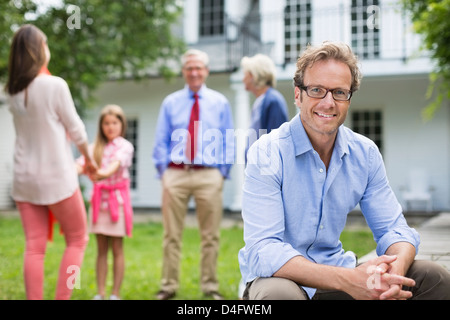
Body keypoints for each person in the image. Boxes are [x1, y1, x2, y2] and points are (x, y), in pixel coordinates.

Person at [238, 41, 450, 300]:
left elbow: (395, 230)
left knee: (433, 278)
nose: (329, 103)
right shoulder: (266, 152)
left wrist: (394, 272)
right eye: (317, 90)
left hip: (340, 274)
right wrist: (350, 280)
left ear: (349, 98)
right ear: (298, 95)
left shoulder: (365, 153)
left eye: (339, 92)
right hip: (281, 278)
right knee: (280, 295)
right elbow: (264, 250)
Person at [5, 24, 97, 300]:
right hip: (58, 177)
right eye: (45, 44)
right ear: (38, 49)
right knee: (78, 240)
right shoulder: (55, 85)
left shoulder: (12, 91)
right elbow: (77, 129)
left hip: (24, 179)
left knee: (34, 246)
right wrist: (89, 161)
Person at [152, 49, 234, 300]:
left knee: (210, 236)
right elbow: (161, 139)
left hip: (209, 175)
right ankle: (168, 286)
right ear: (184, 72)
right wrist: (164, 172)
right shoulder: (171, 102)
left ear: (206, 71)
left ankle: (210, 287)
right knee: (171, 235)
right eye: (189, 68)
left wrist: (222, 172)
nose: (194, 72)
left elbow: (227, 139)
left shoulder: (220, 102)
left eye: (199, 67)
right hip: (176, 174)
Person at [76, 104, 134, 300]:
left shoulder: (125, 146)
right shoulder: (94, 149)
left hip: (116, 204)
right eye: (106, 123)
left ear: (121, 124)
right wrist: (70, 171)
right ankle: (100, 293)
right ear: (101, 126)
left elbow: (114, 166)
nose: (110, 127)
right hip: (98, 204)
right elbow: (79, 164)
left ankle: (115, 294)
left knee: (117, 248)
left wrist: (100, 173)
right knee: (101, 249)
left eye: (114, 123)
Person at [241, 53, 289, 152]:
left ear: (252, 75)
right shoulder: (261, 100)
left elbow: (276, 144)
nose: (243, 79)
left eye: (244, 74)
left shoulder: (273, 101)